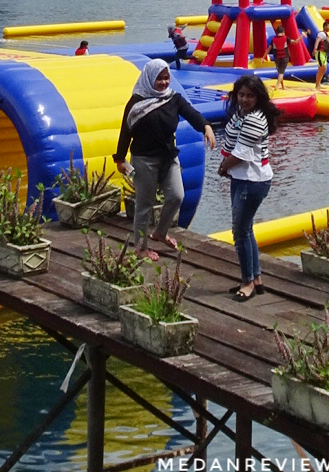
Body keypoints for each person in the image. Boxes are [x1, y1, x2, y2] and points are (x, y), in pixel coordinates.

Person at [115, 59, 216, 261]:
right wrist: (120, 158)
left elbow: (191, 113)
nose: (163, 82)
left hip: (169, 158)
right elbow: (125, 131)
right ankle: (140, 247)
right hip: (144, 160)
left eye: (166, 77)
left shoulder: (173, 98)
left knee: (177, 196)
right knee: (145, 204)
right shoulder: (136, 102)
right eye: (159, 78)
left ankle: (160, 232)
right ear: (149, 78)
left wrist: (206, 126)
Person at [218, 74, 278, 300]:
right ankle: (256, 278)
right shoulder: (244, 114)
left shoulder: (254, 119)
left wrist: (223, 167)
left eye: (250, 96)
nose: (244, 99)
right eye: (241, 95)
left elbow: (240, 155)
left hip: (252, 181)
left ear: (258, 97)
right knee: (247, 229)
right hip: (245, 178)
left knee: (240, 232)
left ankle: (247, 282)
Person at [269, 20, 288, 90]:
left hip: (277, 58)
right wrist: (301, 36)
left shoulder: (273, 39)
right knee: (281, 72)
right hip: (284, 57)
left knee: (280, 72)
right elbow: (294, 42)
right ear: (283, 32)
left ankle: (282, 86)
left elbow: (269, 49)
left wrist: (263, 57)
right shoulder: (285, 38)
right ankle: (277, 86)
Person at [313, 19, 329, 89]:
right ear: (325, 26)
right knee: (322, 68)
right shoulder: (322, 34)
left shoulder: (326, 35)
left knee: (323, 68)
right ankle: (317, 84)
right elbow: (317, 41)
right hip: (320, 53)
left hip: (324, 53)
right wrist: (315, 49)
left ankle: (318, 84)